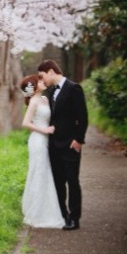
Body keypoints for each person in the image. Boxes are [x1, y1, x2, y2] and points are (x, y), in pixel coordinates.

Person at [37, 59, 88, 230]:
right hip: (53, 145)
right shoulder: (50, 92)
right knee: (58, 182)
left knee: (72, 181)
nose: (42, 80)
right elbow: (31, 98)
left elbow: (83, 117)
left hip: (70, 144)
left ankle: (74, 218)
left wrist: (78, 140)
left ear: (51, 71)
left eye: (43, 76)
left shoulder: (74, 88)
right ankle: (63, 215)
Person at [20, 74, 66, 228]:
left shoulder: (45, 99)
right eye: (39, 81)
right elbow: (25, 123)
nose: (43, 82)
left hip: (47, 140)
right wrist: (44, 129)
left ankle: (47, 209)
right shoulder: (33, 102)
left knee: (47, 173)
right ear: (34, 87)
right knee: (39, 172)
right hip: (38, 141)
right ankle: (37, 213)